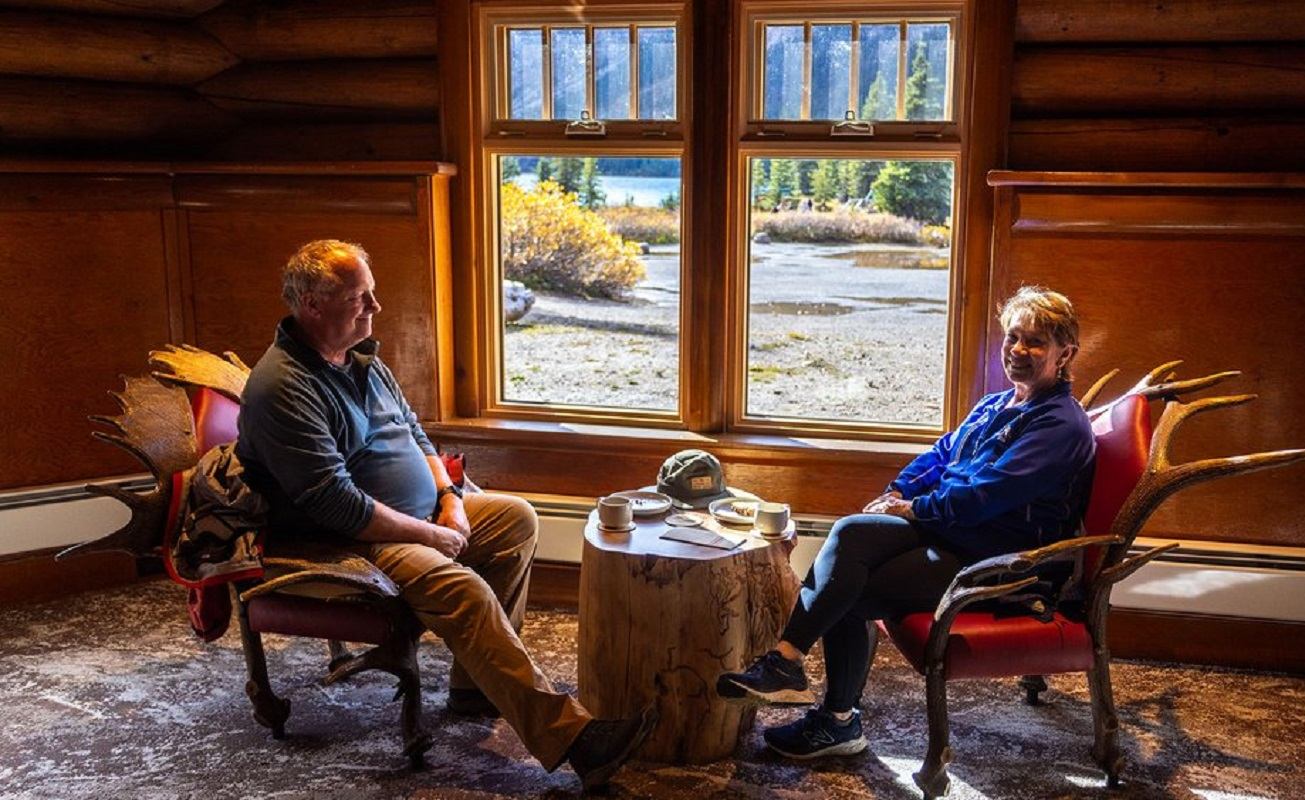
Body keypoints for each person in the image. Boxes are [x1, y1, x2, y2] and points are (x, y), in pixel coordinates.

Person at [235, 239, 655, 788]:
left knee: (516, 518)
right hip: (352, 536)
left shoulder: (362, 358)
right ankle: (574, 740)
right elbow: (336, 503)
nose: (375, 308)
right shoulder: (283, 387)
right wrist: (431, 534)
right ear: (313, 304)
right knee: (464, 591)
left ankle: (473, 687)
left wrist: (451, 499)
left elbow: (415, 433)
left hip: (415, 514)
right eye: (362, 297)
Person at [716, 285, 1096, 759]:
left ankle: (831, 715)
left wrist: (916, 509)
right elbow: (940, 456)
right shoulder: (998, 404)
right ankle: (790, 668)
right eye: (1012, 337)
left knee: (848, 589)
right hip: (956, 533)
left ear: (1066, 353)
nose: (1017, 350)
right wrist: (899, 491)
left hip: (1003, 560)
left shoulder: (1060, 425)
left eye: (1035, 342)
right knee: (854, 531)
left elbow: (987, 495)